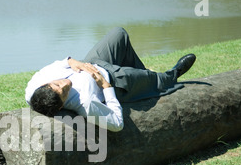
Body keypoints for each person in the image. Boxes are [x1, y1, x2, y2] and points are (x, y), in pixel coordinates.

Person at [25, 27, 196, 132]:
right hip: (116, 80)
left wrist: (71, 61)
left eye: (57, 84)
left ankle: (140, 74)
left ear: (46, 84)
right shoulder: (86, 105)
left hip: (94, 62)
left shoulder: (32, 89)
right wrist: (106, 86)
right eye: (63, 92)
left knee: (119, 34)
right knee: (158, 81)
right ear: (62, 105)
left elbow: (54, 66)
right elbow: (117, 124)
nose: (64, 84)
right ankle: (172, 74)